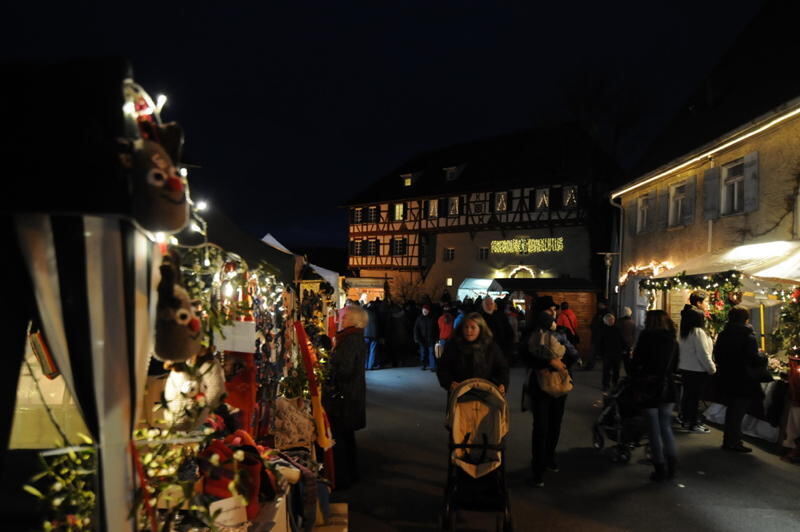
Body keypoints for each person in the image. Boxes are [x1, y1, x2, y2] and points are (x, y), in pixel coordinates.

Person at [525, 311, 575, 487]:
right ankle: (537, 468)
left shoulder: (562, 333)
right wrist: (549, 363)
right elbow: (528, 358)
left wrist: (562, 363)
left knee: (555, 424)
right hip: (540, 387)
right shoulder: (532, 336)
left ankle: (549, 457)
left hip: (560, 385)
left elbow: (572, 353)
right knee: (541, 427)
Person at [630, 310, 679, 481]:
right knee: (665, 427)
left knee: (653, 429)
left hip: (649, 386)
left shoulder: (646, 337)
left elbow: (636, 362)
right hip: (667, 386)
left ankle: (659, 467)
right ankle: (672, 466)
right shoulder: (672, 340)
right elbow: (675, 366)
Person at [324, 305, 368, 489]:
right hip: (350, 396)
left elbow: (345, 370)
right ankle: (351, 474)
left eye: (342, 316)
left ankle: (343, 479)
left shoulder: (350, 340)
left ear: (351, 320)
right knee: (346, 437)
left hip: (345, 397)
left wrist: (329, 364)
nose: (338, 320)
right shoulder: (353, 337)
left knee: (341, 439)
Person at [713, 306, 764, 452]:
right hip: (743, 379)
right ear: (745, 319)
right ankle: (733, 442)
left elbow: (718, 355)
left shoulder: (723, 334)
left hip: (727, 376)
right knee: (738, 411)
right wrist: (762, 358)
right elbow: (753, 358)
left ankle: (729, 440)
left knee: (732, 410)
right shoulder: (748, 336)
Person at [436, 312, 509, 395]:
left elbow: (502, 368)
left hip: (486, 393)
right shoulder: (453, 345)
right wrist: (449, 383)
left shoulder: (491, 347)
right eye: (466, 327)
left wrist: (502, 384)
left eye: (473, 327)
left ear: (480, 328)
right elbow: (442, 367)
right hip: (459, 393)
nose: (468, 330)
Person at [678, 300, 716, 433]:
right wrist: (712, 368)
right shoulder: (698, 332)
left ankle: (686, 420)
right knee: (695, 399)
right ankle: (694, 423)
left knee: (688, 397)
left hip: (686, 369)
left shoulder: (685, 332)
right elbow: (703, 353)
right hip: (697, 370)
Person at [596, 313, 626, 392]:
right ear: (606, 321)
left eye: (612, 320)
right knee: (607, 369)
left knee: (616, 369)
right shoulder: (603, 330)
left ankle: (614, 383)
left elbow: (622, 340)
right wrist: (600, 352)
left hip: (616, 352)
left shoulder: (617, 329)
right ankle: (606, 384)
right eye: (610, 320)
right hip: (607, 353)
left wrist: (625, 348)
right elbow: (600, 342)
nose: (612, 321)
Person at [480, 296, 514, 363]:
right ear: (483, 305)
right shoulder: (480, 317)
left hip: (500, 349)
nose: (489, 306)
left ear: (494, 305)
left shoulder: (501, 316)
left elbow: (509, 333)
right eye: (487, 304)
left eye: (491, 304)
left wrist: (507, 349)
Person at [414, 304, 438, 371]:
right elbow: (416, 329)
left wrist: (436, 338)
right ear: (422, 310)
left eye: (426, 310)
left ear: (429, 311)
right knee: (423, 353)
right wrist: (417, 338)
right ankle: (423, 365)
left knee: (432, 353)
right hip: (422, 339)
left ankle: (432, 366)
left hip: (431, 339)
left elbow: (436, 329)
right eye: (424, 310)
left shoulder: (433, 318)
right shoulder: (419, 318)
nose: (425, 311)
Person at [587, 298, 609, 369]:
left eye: (600, 304)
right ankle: (591, 365)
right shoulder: (601, 313)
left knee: (595, 351)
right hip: (599, 336)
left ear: (603, 305)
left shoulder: (604, 313)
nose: (598, 305)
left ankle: (591, 365)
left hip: (600, 336)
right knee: (596, 352)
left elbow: (601, 324)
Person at [617, 306, 637, 374]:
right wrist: (632, 344)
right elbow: (634, 334)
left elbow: (618, 332)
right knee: (627, 360)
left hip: (621, 343)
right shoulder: (632, 322)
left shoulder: (620, 322)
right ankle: (629, 373)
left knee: (618, 360)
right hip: (629, 343)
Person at [364, 299, 381, 370]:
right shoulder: (374, 314)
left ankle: (365, 365)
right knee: (372, 351)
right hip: (374, 334)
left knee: (366, 351)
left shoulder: (363, 315)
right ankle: (370, 366)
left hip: (365, 334)